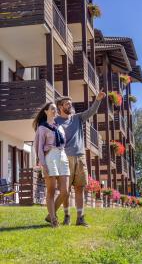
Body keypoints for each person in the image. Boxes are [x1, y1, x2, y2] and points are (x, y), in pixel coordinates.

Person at [45, 89, 106, 226]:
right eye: (67, 104)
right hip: (64, 158)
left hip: (80, 157)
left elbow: (91, 112)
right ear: (60, 107)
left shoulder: (77, 118)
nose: (70, 106)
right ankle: (66, 216)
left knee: (79, 187)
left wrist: (98, 99)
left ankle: (80, 218)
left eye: (70, 104)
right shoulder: (55, 122)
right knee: (65, 191)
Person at [33, 102, 70, 228]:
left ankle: (50, 215)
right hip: (50, 156)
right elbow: (38, 149)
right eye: (52, 109)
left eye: (55, 109)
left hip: (62, 156)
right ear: (46, 112)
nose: (54, 111)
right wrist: (43, 164)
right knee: (51, 190)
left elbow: (63, 144)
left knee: (65, 191)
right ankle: (54, 220)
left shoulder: (59, 127)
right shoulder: (42, 128)